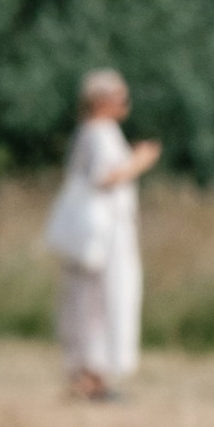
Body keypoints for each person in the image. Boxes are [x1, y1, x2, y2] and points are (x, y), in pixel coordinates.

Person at [48, 69, 160, 401]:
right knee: (100, 301)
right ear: (101, 100)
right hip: (102, 236)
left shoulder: (93, 131)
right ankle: (91, 376)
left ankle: (92, 374)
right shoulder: (99, 132)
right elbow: (105, 177)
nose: (126, 104)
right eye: (121, 97)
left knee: (92, 301)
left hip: (100, 235)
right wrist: (141, 160)